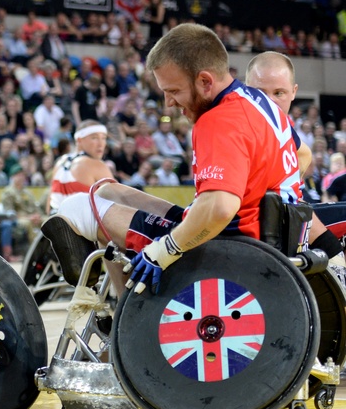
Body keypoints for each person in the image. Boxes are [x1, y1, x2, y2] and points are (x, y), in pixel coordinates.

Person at [43, 23, 308, 295]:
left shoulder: (218, 121)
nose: (168, 103)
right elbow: (303, 154)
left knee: (77, 207)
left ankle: (124, 322)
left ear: (205, 81)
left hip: (226, 248)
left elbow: (218, 208)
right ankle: (115, 303)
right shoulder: (259, 102)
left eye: (173, 91)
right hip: (264, 238)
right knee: (106, 190)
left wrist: (165, 249)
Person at [244, 51, 346, 278]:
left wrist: (290, 182)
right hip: (265, 234)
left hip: (293, 217)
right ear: (245, 91)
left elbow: (304, 152)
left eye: (278, 93)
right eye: (260, 93)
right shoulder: (242, 129)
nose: (270, 102)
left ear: (293, 93)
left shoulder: (284, 127)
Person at [47, 120, 114, 215]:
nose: (101, 144)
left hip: (54, 224)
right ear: (79, 140)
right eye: (94, 138)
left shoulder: (60, 162)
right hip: (82, 227)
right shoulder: (96, 164)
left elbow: (49, 204)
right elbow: (117, 202)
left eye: (103, 138)